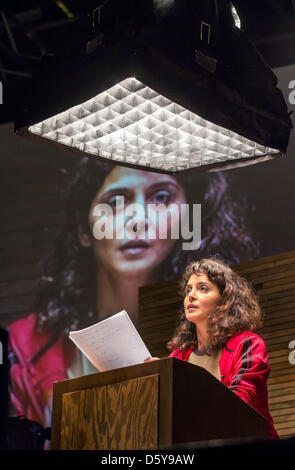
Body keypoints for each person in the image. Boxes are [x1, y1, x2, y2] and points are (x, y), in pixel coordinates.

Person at [8, 157, 259, 430]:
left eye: (161, 197)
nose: (138, 220)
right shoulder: (23, 349)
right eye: (115, 202)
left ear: (190, 217)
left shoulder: (225, 340)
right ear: (83, 228)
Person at [145, 257, 278, 439]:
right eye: (188, 290)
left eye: (203, 288)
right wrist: (157, 381)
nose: (190, 295)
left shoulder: (248, 344)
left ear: (225, 299)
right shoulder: (179, 356)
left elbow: (239, 405)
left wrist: (178, 386)